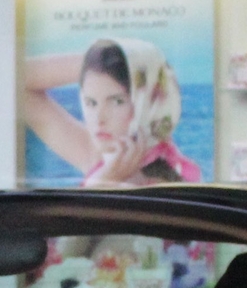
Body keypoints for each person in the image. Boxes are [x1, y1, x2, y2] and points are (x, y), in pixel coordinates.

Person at [21, 37, 202, 187]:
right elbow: (15, 81)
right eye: (91, 102)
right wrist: (100, 59)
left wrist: (101, 182)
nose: (99, 119)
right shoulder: (103, 156)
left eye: (117, 101)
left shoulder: (165, 184)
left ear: (147, 101)